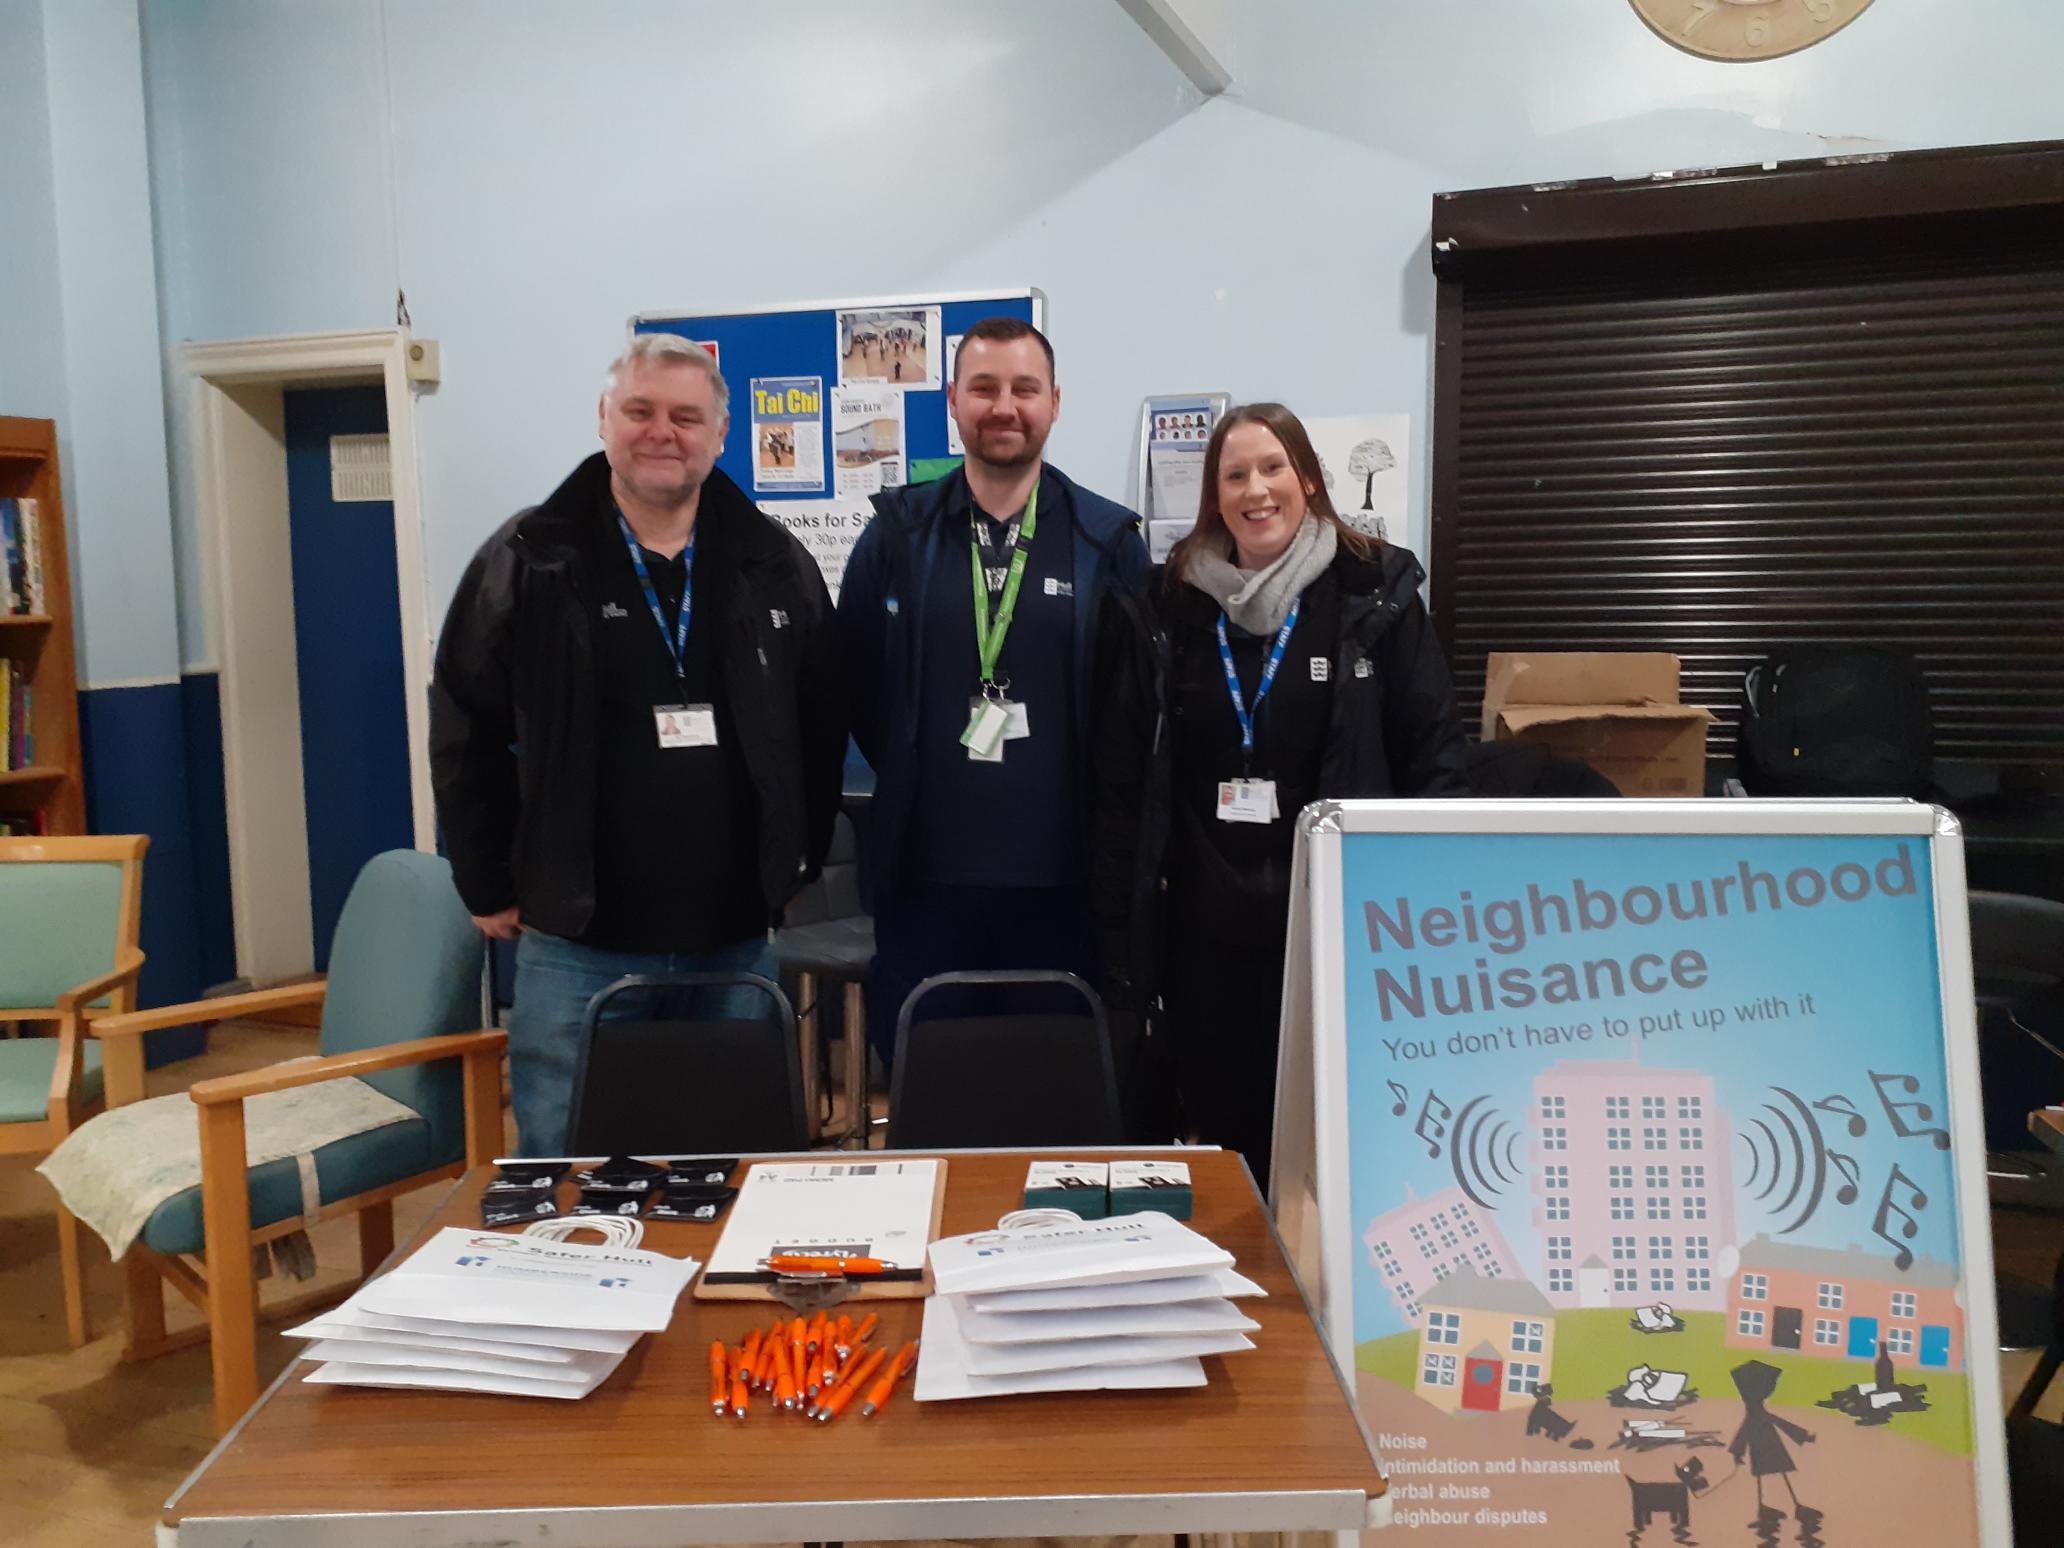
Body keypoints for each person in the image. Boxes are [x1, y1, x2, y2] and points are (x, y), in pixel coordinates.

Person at [431, 332, 844, 1155]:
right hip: (578, 943)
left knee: (731, 1160)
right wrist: (483, 880)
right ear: (604, 420)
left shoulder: (773, 561)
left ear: (720, 435)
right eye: (641, 411)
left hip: (731, 938)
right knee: (569, 1161)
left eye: (687, 417)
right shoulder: (529, 557)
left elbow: (819, 721)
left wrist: (796, 862)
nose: (663, 431)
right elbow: (464, 724)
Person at [1091, 402, 1466, 1187]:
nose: (1255, 490)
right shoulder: (1172, 606)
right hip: (1205, 929)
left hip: (1333, 923)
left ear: (1307, 479)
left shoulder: (1373, 596)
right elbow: (1128, 775)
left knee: (1332, 1136)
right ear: (1214, 495)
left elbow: (1433, 752)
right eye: (1235, 475)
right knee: (1228, 1137)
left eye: (1272, 469)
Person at [839, 316, 1148, 1066]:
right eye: (984, 387)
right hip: (928, 884)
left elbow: (1132, 712)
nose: (1003, 406)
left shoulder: (1108, 542)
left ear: (1055, 403)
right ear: (953, 400)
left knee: (1051, 1099)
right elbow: (855, 680)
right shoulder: (898, 535)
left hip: (1065, 887)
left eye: (1023, 389)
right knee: (936, 1094)